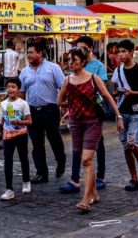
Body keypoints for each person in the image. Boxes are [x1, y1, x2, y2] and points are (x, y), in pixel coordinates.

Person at [57, 46, 122, 214]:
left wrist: (118, 117)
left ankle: (86, 199)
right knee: (85, 159)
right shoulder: (67, 80)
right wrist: (73, 106)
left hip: (93, 122)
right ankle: (93, 192)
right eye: (69, 60)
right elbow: (60, 101)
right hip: (76, 124)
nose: (70, 64)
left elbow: (107, 96)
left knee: (86, 159)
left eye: (74, 61)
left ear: (83, 62)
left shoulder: (93, 78)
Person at [61, 36, 108, 194]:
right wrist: (71, 108)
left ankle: (100, 177)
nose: (77, 51)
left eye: (81, 48)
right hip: (78, 115)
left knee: (98, 145)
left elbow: (101, 92)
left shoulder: (98, 67)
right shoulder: (72, 71)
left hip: (94, 114)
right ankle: (75, 179)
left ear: (89, 49)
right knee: (76, 148)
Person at [19, 39, 66, 184]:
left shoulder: (53, 68)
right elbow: (22, 92)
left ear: (40, 53)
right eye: (28, 53)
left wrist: (64, 104)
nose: (29, 55)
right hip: (32, 111)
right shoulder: (25, 72)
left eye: (31, 52)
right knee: (36, 143)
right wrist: (21, 109)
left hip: (50, 109)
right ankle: (41, 173)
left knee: (54, 139)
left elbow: (63, 87)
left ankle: (61, 162)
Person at [111, 40, 138, 191]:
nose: (120, 54)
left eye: (123, 51)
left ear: (131, 52)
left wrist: (133, 93)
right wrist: (116, 92)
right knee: (126, 146)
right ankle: (133, 178)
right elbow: (114, 91)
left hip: (136, 112)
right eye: (119, 52)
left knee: (133, 143)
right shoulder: (118, 71)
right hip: (121, 112)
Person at [0, 77, 32, 200]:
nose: (10, 89)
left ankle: (26, 181)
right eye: (8, 87)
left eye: (13, 87)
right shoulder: (3, 104)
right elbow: (2, 120)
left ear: (18, 89)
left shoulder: (23, 104)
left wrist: (19, 121)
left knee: (23, 158)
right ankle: (9, 189)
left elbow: (29, 121)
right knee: (8, 162)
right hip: (8, 135)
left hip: (21, 134)